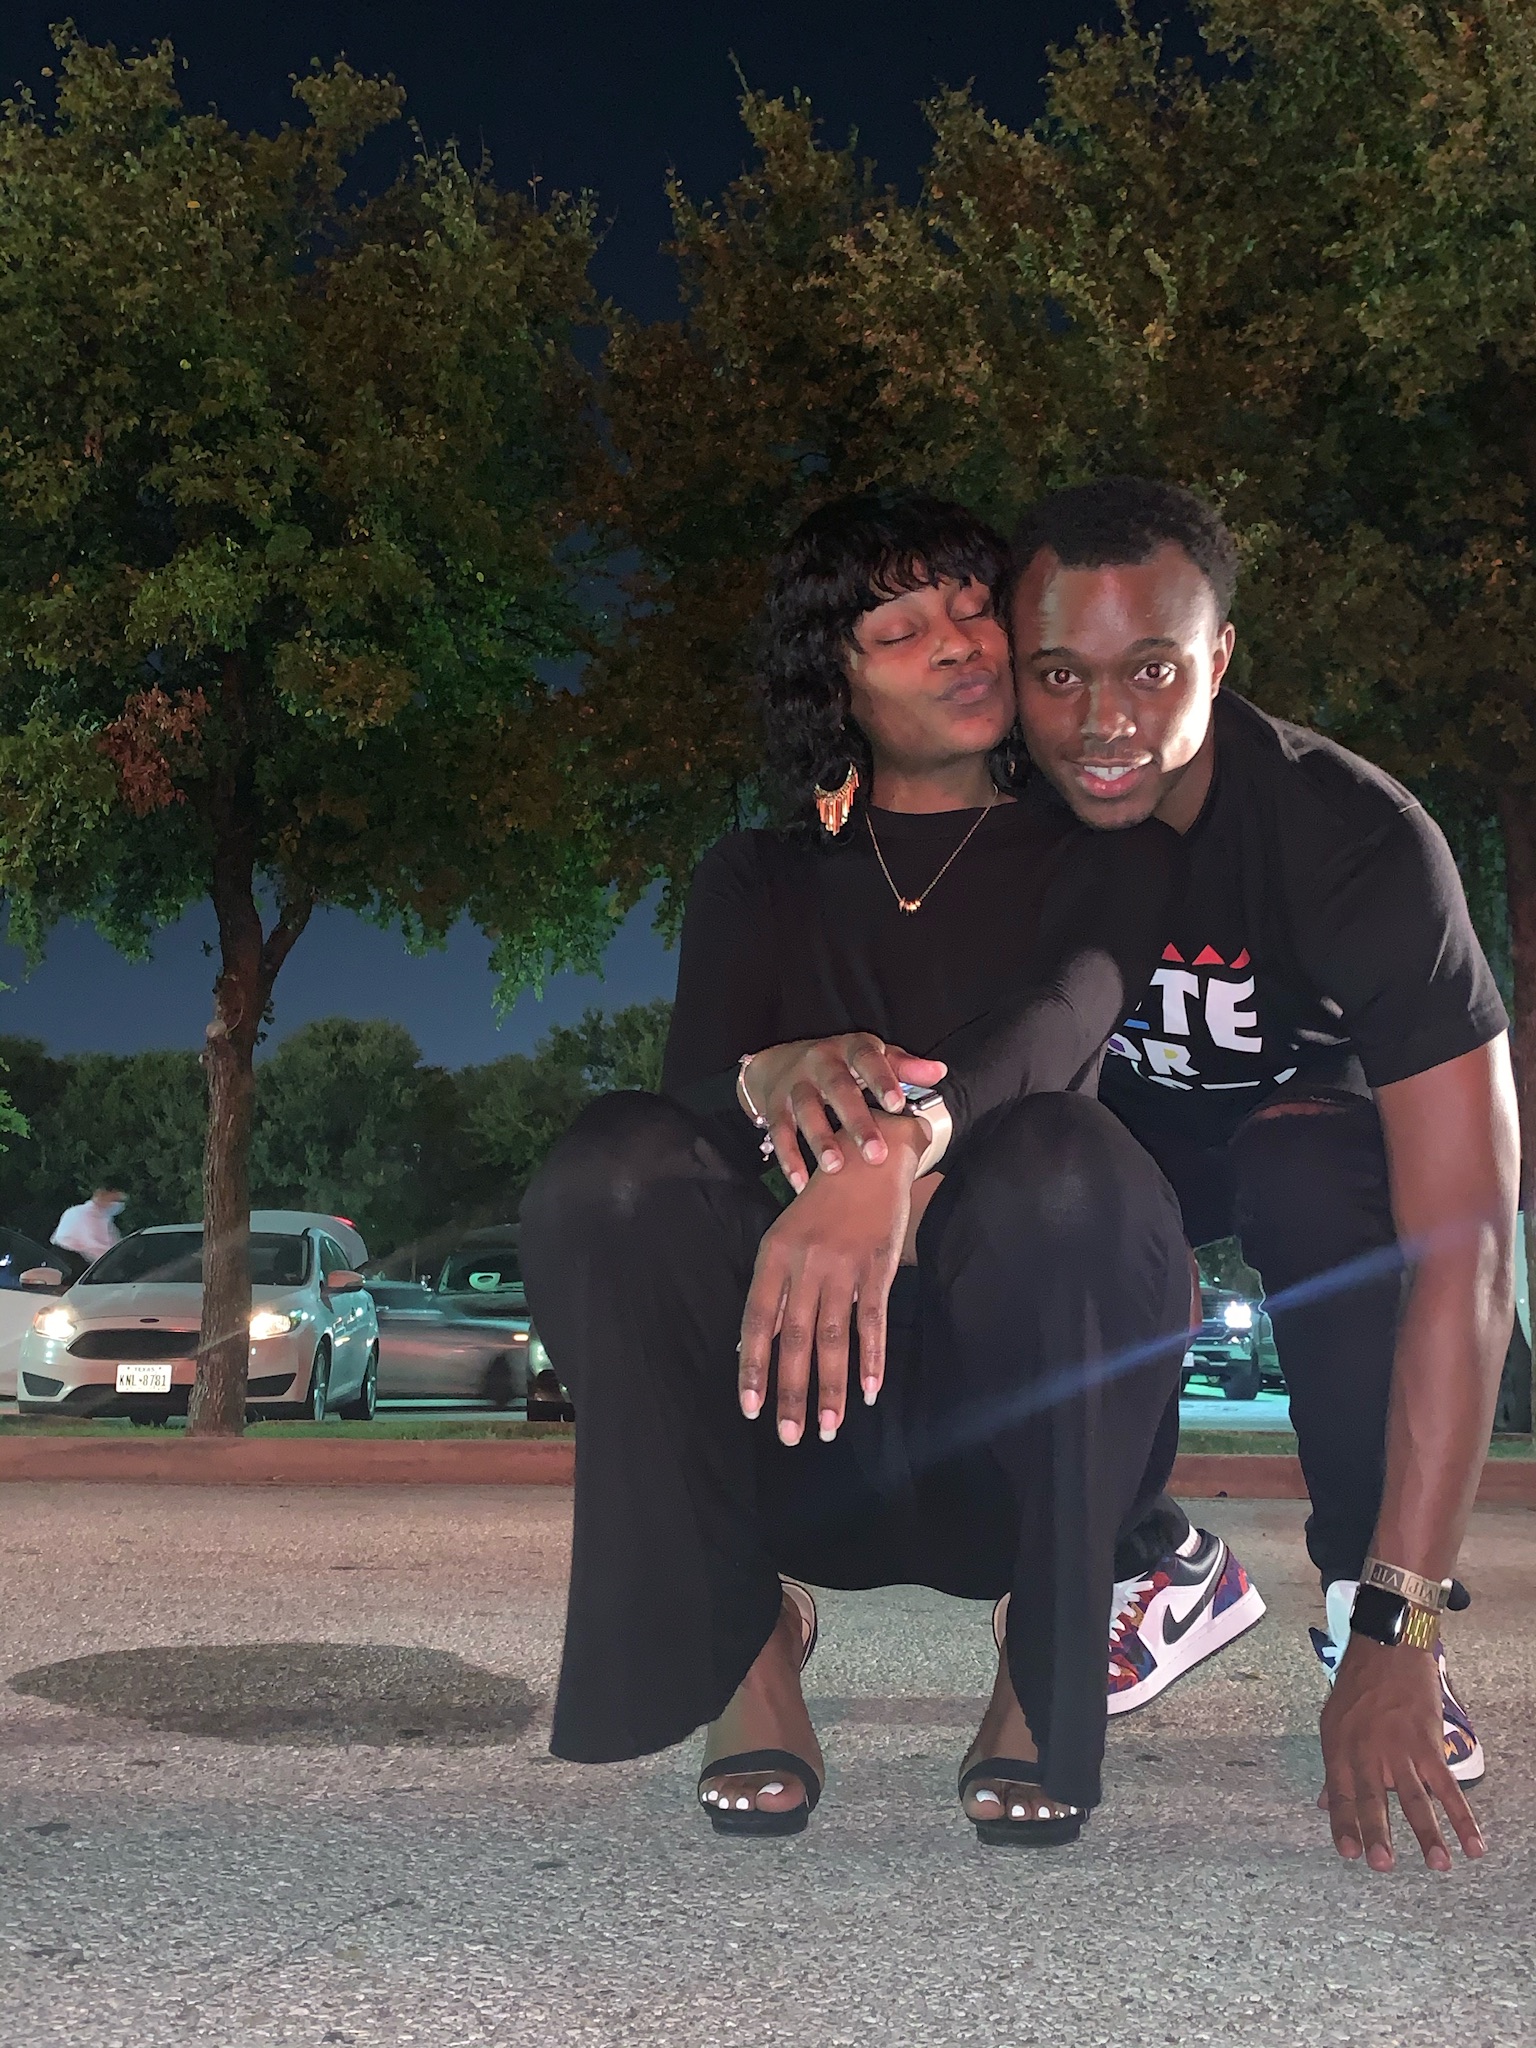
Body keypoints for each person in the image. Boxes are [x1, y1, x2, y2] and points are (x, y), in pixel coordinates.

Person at [522, 490, 1224, 1845]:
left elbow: (1060, 1017)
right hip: (797, 1422)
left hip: (1015, 1434)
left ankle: (1044, 1659)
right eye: (900, 631)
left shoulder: (1106, 849)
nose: (957, 643)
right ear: (832, 682)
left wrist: (892, 1151)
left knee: (1071, 1162)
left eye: (972, 608)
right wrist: (760, 1074)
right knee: (612, 1165)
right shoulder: (756, 877)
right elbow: (684, 1115)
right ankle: (745, 1648)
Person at [1008, 476, 1518, 1874]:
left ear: (1220, 656)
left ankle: (1363, 1604)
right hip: (1128, 1149)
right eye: (1059, 674)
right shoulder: (1000, 817)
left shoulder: (1355, 839)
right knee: (1045, 1178)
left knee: (1310, 1169)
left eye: (1150, 669)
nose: (1103, 723)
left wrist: (1403, 1617)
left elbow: (1472, 1247)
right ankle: (1151, 1562)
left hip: (1309, 1131)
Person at [51, 1186, 127, 1265]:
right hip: (71, 1262)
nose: (118, 1204)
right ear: (102, 1195)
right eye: (115, 1200)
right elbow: (102, 1251)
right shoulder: (90, 1216)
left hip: (60, 1258)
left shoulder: (75, 1210)